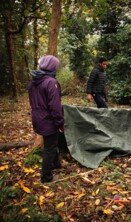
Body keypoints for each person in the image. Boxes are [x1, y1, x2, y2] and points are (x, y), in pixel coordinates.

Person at [28, 55, 64, 183]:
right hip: (48, 120)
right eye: (56, 66)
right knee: (49, 147)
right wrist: (60, 123)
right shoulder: (51, 82)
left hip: (37, 118)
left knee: (52, 143)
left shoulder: (33, 81)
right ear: (52, 67)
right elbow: (55, 106)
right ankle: (47, 177)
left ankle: (56, 164)